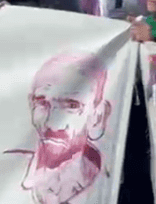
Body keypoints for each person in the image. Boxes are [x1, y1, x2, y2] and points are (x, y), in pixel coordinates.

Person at [6, 53, 111, 204]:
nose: (52, 123)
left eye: (71, 105)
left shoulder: (116, 177)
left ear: (98, 115)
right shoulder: (0, 173)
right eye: (41, 102)